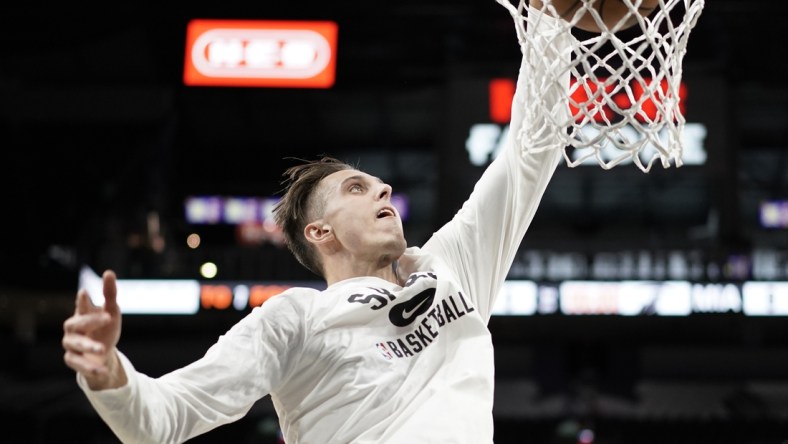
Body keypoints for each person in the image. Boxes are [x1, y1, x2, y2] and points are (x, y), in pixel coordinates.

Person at [61, 6, 574, 444]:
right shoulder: (295, 320)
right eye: (356, 188)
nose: (383, 190)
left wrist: (552, 22)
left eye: (377, 184)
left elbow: (534, 150)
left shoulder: (452, 266)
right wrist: (110, 374)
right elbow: (167, 416)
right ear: (320, 232)